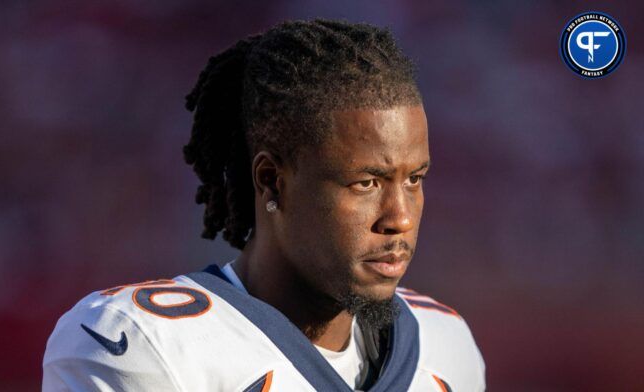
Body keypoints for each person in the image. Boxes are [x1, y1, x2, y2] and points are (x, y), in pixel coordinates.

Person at [43, 19, 485, 391]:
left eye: (414, 180)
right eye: (367, 183)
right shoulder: (143, 342)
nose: (400, 217)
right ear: (272, 183)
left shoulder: (446, 344)